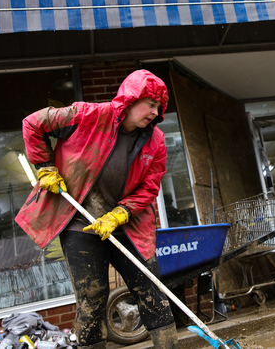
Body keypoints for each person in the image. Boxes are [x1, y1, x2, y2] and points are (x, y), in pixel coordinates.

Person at [15, 70, 178, 348]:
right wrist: (45, 166)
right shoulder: (88, 115)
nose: (154, 112)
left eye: (159, 108)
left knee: (151, 290)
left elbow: (150, 187)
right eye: (150, 104)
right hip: (81, 223)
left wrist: (120, 214)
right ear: (131, 98)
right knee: (92, 297)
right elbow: (33, 123)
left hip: (128, 225)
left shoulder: (156, 140)